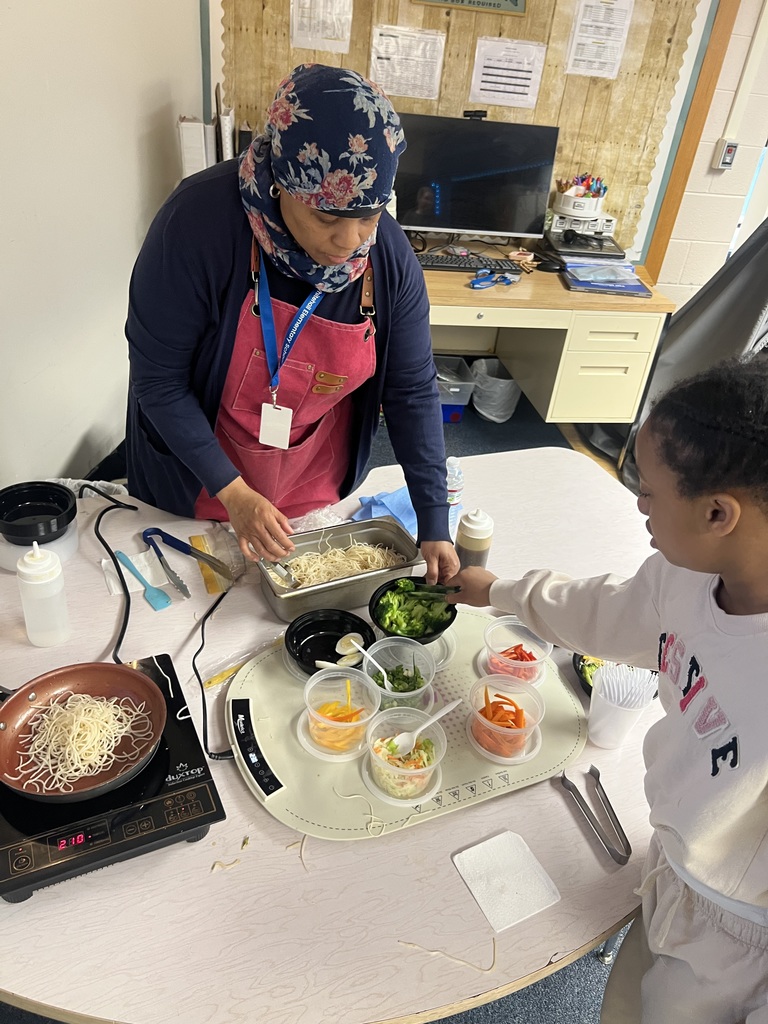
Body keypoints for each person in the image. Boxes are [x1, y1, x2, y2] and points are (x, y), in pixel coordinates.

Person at [446, 356, 768, 1023]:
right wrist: (502, 591)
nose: (639, 503)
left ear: (717, 512)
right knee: (629, 997)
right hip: (679, 855)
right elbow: (610, 611)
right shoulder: (686, 573)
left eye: (647, 489)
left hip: (742, 931)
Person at [125, 63, 459, 583]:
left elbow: (412, 389)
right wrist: (231, 491)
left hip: (311, 472)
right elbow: (159, 381)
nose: (349, 242)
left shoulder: (387, 255)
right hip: (197, 473)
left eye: (368, 216)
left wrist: (433, 518)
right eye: (326, 218)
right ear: (281, 184)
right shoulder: (194, 225)